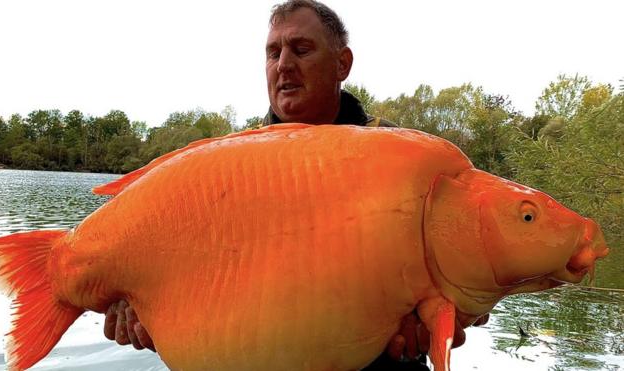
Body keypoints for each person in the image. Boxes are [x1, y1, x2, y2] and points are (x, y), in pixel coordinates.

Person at [104, 1, 489, 370]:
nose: (284, 64)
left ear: (342, 64)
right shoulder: (229, 165)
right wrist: (137, 303)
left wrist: (453, 314)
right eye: (273, 53)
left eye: (301, 49)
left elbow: (478, 270)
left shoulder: (405, 156)